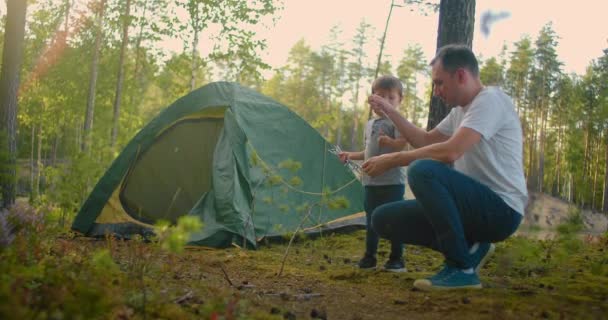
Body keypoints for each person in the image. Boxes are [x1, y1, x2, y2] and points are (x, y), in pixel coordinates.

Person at [362, 44, 528, 290]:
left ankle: (461, 268)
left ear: (460, 75)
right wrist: (389, 110)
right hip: (469, 208)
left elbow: (451, 150)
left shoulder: (491, 100)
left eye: (439, 83)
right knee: (383, 219)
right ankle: (471, 249)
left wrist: (393, 159)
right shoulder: (459, 112)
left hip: (501, 211)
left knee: (422, 169)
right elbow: (425, 140)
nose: (436, 91)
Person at [339, 75, 409, 272]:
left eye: (390, 98)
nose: (384, 102)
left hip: (392, 183)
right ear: (372, 100)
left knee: (394, 220)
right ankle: (369, 256)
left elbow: (403, 145)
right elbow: (367, 151)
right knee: (371, 221)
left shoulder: (398, 121)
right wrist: (350, 155)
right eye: (380, 97)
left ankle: (397, 258)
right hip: (371, 183)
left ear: (399, 100)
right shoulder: (370, 124)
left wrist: (391, 143)